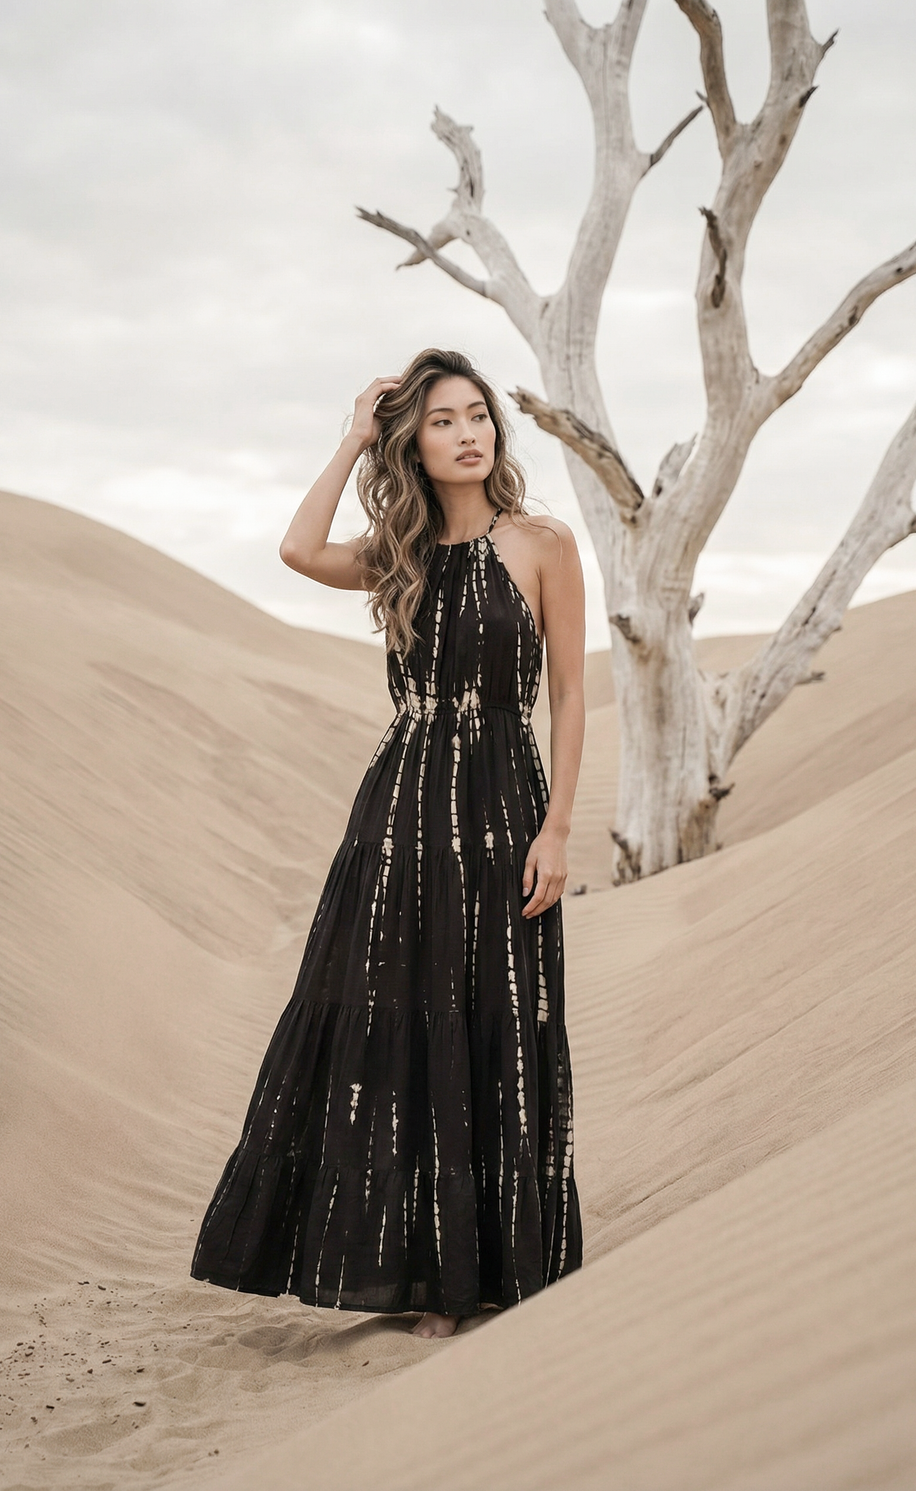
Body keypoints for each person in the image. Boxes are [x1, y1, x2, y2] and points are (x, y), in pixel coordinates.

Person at [190, 348, 585, 1340]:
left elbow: (573, 694)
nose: (467, 433)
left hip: (501, 807)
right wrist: (351, 436)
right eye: (442, 420)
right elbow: (294, 549)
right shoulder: (395, 553)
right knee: (399, 1026)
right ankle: (420, 1276)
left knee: (492, 1019)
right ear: (412, 441)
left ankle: (484, 1271)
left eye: (477, 415)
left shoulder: (540, 543)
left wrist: (558, 828)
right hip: (401, 808)